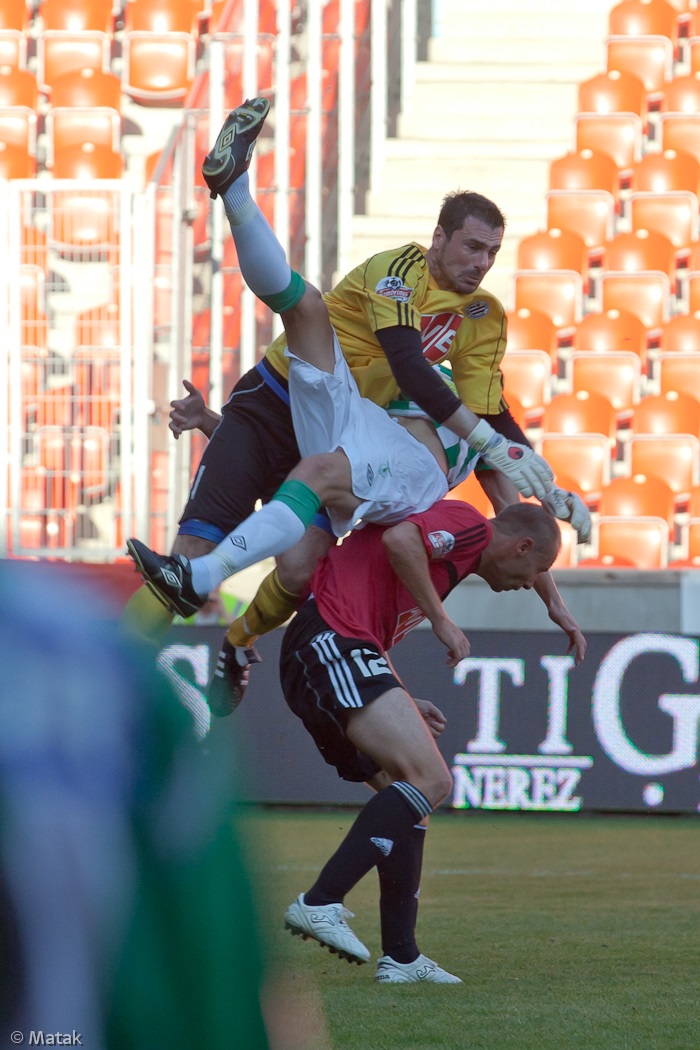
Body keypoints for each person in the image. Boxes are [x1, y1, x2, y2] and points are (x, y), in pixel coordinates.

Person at [122, 96, 583, 693]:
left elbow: (506, 477)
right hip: (276, 401)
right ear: (438, 238)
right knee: (189, 554)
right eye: (474, 247)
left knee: (296, 569)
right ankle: (110, 669)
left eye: (494, 252)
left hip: (341, 429)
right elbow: (411, 368)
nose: (484, 263)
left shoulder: (480, 320)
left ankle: (236, 646)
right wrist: (219, 422)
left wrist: (542, 513)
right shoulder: (397, 273)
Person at [278, 499, 562, 983]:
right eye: (536, 571)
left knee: (411, 795)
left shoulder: (458, 557)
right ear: (521, 547)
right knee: (431, 779)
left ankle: (402, 958)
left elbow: (372, 606)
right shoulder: (470, 526)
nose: (529, 584)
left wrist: (402, 698)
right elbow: (398, 538)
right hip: (330, 639)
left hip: (339, 647)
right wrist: (440, 619)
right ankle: (321, 901)